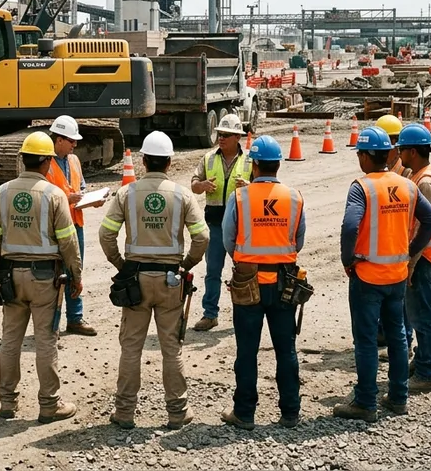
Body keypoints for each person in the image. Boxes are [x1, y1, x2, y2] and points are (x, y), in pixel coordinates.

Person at [99, 131, 209, 431]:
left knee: (131, 347)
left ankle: (124, 413)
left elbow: (106, 235)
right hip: (170, 279)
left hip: (135, 279)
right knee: (171, 348)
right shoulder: (182, 195)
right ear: (170, 162)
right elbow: (202, 236)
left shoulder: (127, 193)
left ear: (144, 161)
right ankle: (177, 413)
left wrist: (121, 265)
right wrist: (186, 264)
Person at [334, 126, 431, 422]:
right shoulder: (406, 185)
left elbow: (350, 226)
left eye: (359, 153)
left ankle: (366, 403)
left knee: (366, 341)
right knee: (397, 339)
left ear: (368, 156)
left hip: (367, 275)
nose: (358, 159)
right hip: (396, 275)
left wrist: (347, 259)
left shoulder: (362, 186)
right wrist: (409, 251)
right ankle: (398, 398)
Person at [0, 131, 82, 423]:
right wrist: (75, 275)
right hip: (45, 279)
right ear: (46, 162)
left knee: (10, 340)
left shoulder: (3, 192)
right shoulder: (54, 195)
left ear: (23, 160)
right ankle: (49, 404)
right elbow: (68, 241)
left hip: (11, 276)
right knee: (45, 340)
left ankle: (7, 403)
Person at [220, 135, 306, 430]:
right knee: (286, 349)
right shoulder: (294, 197)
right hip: (284, 281)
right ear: (279, 164)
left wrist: (244, 259)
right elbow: (299, 238)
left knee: (247, 351)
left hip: (248, 280)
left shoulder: (240, 197)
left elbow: (228, 238)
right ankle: (290, 412)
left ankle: (244, 413)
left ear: (254, 165)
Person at [396, 124, 431, 393]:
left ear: (413, 151)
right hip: (424, 256)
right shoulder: (420, 175)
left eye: (402, 149)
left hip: (425, 258)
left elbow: (426, 226)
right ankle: (422, 360)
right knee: (417, 314)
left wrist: (412, 260)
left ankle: (428, 371)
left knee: (423, 317)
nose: (398, 154)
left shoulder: (426, 182)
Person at [190, 114, 252, 331]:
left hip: (240, 227)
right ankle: (210, 314)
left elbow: (262, 187)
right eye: (219, 134)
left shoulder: (250, 161)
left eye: (226, 135)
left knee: (243, 273)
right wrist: (202, 185)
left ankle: (245, 313)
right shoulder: (208, 159)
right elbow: (194, 185)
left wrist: (249, 186)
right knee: (213, 271)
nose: (221, 138)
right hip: (215, 225)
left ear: (237, 137)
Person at [45, 115, 97, 336]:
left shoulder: (74, 161)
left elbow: (81, 187)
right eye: (71, 141)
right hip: (54, 227)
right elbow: (45, 200)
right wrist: (69, 199)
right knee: (54, 275)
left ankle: (75, 319)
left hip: (75, 224)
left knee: (75, 272)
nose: (75, 144)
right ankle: (52, 322)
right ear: (58, 140)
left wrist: (89, 199)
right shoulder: (44, 163)